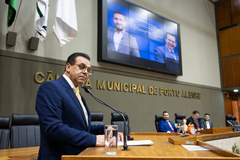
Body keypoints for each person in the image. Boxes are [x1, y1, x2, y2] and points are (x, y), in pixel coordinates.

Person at [35, 52, 123, 160]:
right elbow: (54, 128)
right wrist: (95, 140)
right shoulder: (51, 88)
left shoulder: (78, 94)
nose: (85, 72)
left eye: (88, 70)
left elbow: (83, 128)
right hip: (59, 157)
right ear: (68, 67)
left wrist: (106, 129)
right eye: (82, 67)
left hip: (80, 156)